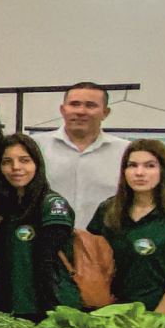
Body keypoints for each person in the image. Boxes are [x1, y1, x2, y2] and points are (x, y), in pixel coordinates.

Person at [88, 139, 165, 317]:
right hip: (112, 317)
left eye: (150, 166)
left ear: (164, 171)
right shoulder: (107, 210)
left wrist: (155, 320)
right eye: (132, 165)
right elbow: (92, 262)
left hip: (164, 320)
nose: (139, 173)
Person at [0, 133, 81, 321]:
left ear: (37, 164)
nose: (15, 167)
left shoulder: (52, 204)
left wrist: (49, 315)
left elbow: (47, 263)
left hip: (48, 309)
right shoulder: (7, 208)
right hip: (13, 308)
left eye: (24, 160)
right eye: (7, 162)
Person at [36, 81, 128, 229]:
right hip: (45, 242)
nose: (81, 111)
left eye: (90, 105)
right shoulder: (36, 147)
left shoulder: (126, 152)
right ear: (62, 109)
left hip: (105, 245)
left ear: (105, 112)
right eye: (74, 104)